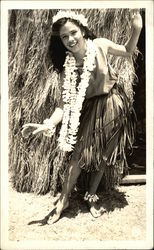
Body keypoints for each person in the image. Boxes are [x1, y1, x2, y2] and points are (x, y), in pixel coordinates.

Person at [22, 10, 142, 224]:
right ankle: (63, 201)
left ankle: (91, 196)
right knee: (79, 155)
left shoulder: (101, 45)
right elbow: (62, 105)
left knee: (104, 155)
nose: (70, 39)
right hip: (90, 109)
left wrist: (137, 29)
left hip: (113, 103)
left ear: (83, 30)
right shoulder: (67, 69)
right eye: (64, 37)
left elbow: (127, 50)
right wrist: (46, 124)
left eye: (73, 32)